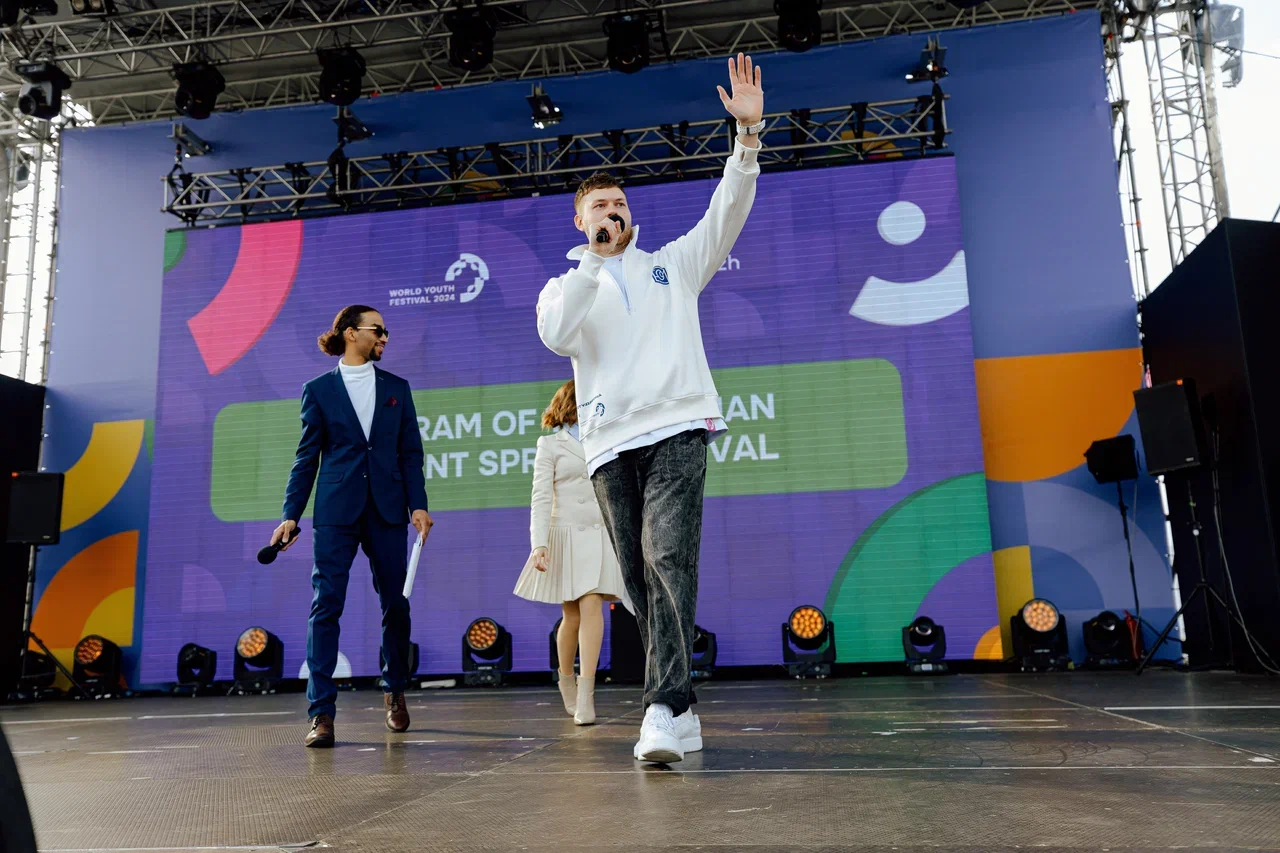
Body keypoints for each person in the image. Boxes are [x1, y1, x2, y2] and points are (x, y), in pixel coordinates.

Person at [534, 54, 764, 763]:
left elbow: (726, 211)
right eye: (601, 206)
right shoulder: (566, 286)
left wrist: (746, 139)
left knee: (668, 557)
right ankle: (681, 707)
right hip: (608, 443)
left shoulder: (673, 265)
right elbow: (557, 335)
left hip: (677, 428)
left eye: (621, 204)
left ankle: (660, 707)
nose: (615, 212)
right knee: (638, 581)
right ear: (581, 220)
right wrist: (593, 261)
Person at [270, 305, 433, 748]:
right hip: (336, 511)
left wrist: (418, 505)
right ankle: (320, 713)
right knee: (326, 606)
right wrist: (290, 514)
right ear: (349, 333)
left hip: (387, 510)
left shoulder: (397, 388)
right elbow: (307, 457)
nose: (384, 337)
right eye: (377, 329)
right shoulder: (318, 390)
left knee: (395, 605)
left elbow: (410, 454)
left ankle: (394, 689)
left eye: (385, 331)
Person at [513, 380, 628, 726]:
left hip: (599, 533)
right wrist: (539, 543)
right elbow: (540, 497)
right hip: (564, 534)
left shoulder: (606, 437)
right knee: (572, 615)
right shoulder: (550, 444)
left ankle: (586, 693)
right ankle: (566, 678)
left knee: (592, 603)